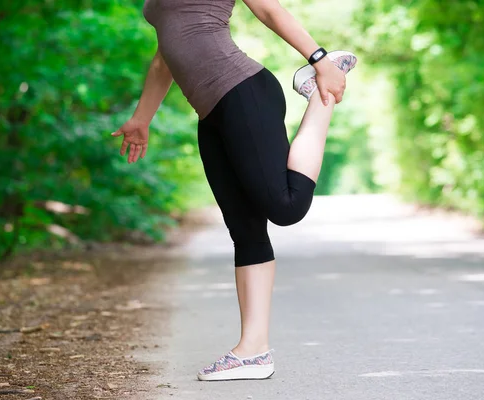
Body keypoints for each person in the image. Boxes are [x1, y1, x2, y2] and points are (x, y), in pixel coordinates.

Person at [111, 0, 356, 382]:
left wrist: (321, 60)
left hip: (243, 92)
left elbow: (270, 10)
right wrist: (142, 118)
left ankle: (318, 97)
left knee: (287, 207)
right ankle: (253, 352)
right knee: (246, 231)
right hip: (210, 114)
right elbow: (165, 58)